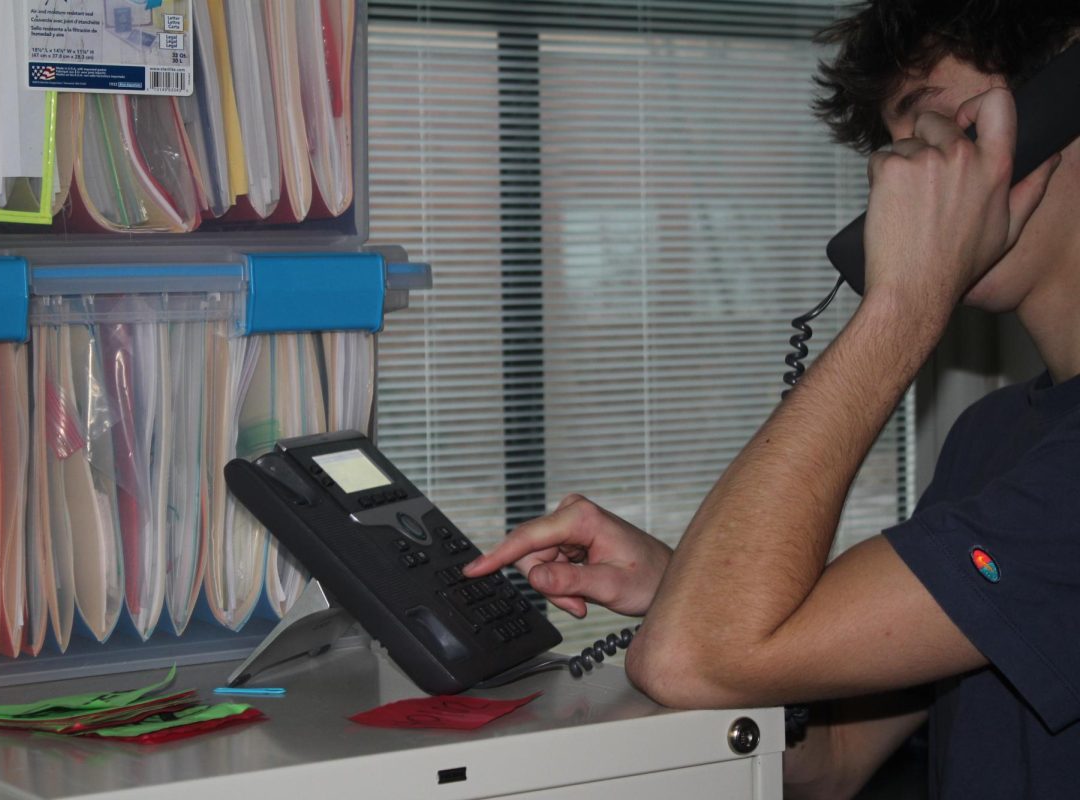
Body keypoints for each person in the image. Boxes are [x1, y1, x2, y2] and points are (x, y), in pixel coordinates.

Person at [462, 2, 1080, 797]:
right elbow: (831, 763)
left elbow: (689, 661)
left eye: (937, 136)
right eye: (898, 151)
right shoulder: (991, 439)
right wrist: (690, 587)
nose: (910, 180)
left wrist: (901, 305)